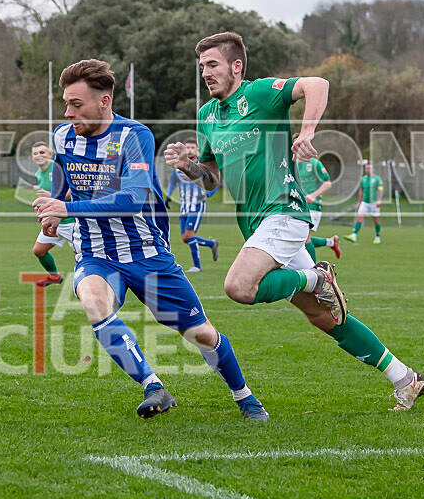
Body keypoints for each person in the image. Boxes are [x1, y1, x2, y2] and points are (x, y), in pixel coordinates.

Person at [165, 32, 424, 411]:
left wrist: (306, 132)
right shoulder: (207, 116)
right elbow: (213, 176)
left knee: (239, 286)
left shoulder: (258, 94)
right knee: (323, 316)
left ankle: (317, 277)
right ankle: (406, 378)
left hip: (284, 212)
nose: (205, 72)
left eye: (213, 64)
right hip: (256, 225)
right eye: (202, 66)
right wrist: (189, 166)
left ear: (236, 66)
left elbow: (316, 84)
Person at [34, 59, 269, 421]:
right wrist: (54, 211)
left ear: (105, 101)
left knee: (202, 334)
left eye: (76, 105)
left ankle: (244, 395)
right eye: (65, 104)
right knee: (94, 302)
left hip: (146, 253)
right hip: (96, 253)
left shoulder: (134, 136)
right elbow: (62, 186)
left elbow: (133, 197)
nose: (68, 113)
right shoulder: (63, 137)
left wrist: (67, 208)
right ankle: (152, 385)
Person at [165, 137, 219, 272]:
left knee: (189, 235)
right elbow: (172, 182)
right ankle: (211, 243)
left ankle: (197, 266)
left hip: (197, 204)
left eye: (192, 147)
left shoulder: (203, 166)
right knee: (185, 238)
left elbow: (216, 182)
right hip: (184, 206)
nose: (189, 150)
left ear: (197, 149)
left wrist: (208, 195)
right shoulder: (179, 167)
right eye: (187, 147)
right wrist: (168, 196)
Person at [30, 141, 76, 287]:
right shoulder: (38, 174)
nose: (39, 155)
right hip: (54, 221)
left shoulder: (57, 168)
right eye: (35, 153)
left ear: (50, 154)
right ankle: (54, 276)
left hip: (71, 222)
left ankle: (95, 280)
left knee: (86, 255)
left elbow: (73, 192)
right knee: (38, 251)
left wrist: (51, 196)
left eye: (42, 152)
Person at [295, 153, 341, 260]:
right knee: (299, 238)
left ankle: (315, 271)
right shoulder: (293, 165)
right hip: (298, 206)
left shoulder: (315, 163)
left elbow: (327, 183)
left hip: (313, 205)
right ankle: (330, 242)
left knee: (306, 238)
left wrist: (313, 196)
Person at [345, 162, 383, 244]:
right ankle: (354, 235)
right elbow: (361, 191)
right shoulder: (363, 179)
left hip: (374, 203)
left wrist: (379, 200)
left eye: (369, 168)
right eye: (366, 168)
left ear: (372, 169)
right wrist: (359, 202)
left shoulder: (377, 179)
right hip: (365, 203)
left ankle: (377, 236)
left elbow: (380, 189)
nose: (368, 170)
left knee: (376, 220)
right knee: (359, 218)